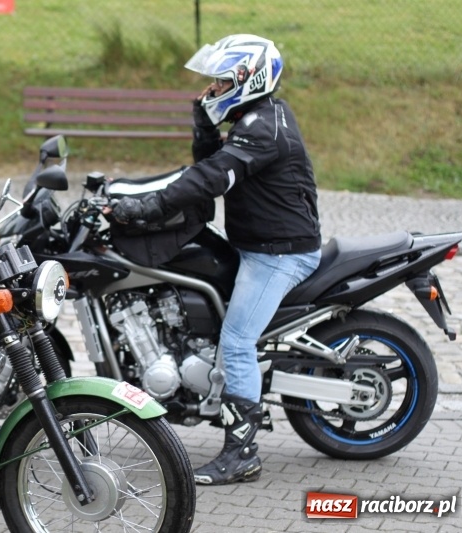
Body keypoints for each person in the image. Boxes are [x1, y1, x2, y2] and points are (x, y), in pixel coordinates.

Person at [110, 34, 322, 485]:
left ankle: (242, 454)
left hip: (279, 254)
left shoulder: (262, 128)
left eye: (223, 80)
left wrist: (149, 208)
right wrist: (205, 125)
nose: (214, 87)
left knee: (239, 342)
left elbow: (207, 178)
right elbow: (213, 162)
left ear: (250, 78)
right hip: (257, 242)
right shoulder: (256, 117)